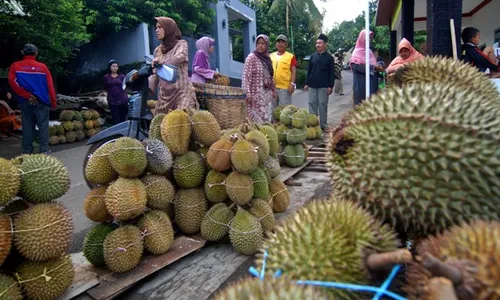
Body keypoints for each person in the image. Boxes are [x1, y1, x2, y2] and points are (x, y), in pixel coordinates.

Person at [8, 44, 56, 154]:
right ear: (36, 53)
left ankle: (26, 151)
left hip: (26, 101)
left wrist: (27, 95)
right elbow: (50, 85)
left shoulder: (15, 66)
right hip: (42, 101)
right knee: (43, 126)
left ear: (22, 52)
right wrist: (53, 100)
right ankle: (44, 151)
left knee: (27, 126)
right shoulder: (43, 67)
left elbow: (13, 83)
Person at [149, 17, 198, 114]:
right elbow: (156, 74)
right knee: (160, 125)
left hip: (182, 93)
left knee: (182, 121)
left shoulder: (181, 44)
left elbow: (181, 56)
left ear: (168, 29)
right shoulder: (157, 50)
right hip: (164, 96)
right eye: (156, 28)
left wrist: (163, 62)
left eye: (160, 27)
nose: (156, 30)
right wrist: (149, 87)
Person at [242, 34, 275, 124]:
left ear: (267, 45)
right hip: (255, 96)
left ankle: (266, 137)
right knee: (256, 122)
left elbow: (271, 76)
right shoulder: (251, 57)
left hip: (266, 95)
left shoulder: (268, 58)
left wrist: (273, 90)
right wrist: (247, 92)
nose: (260, 45)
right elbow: (246, 76)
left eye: (263, 43)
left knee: (266, 119)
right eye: (258, 43)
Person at [304, 33, 334, 131]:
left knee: (322, 105)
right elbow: (309, 71)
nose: (317, 45)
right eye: (316, 43)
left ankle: (323, 125)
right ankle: (313, 125)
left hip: (324, 86)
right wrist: (306, 83)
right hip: (312, 85)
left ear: (325, 44)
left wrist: (330, 86)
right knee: (312, 104)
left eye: (320, 43)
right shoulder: (312, 57)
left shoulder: (329, 58)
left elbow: (331, 73)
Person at [349, 30, 380, 106]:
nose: (368, 41)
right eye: (367, 39)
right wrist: (373, 68)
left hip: (372, 86)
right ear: (362, 39)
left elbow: (375, 64)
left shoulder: (369, 52)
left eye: (370, 39)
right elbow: (356, 66)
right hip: (361, 87)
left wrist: (379, 66)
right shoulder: (356, 53)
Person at [270, 34, 297, 111]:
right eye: (278, 42)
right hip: (273, 87)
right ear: (276, 44)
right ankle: (274, 123)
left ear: (286, 44)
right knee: (273, 110)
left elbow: (293, 70)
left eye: (282, 42)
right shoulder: (271, 56)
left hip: (285, 88)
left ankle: (286, 124)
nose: (280, 44)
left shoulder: (290, 56)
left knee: (286, 111)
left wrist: (292, 84)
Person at [103, 60, 129, 124]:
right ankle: (118, 133)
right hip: (112, 101)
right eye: (113, 66)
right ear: (110, 67)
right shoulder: (106, 77)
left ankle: (124, 133)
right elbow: (105, 87)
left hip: (123, 100)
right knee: (116, 119)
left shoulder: (122, 76)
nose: (115, 68)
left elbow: (125, 86)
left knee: (123, 118)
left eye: (117, 66)